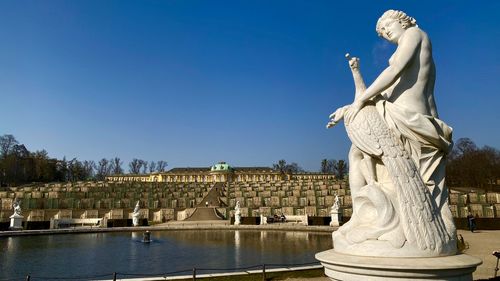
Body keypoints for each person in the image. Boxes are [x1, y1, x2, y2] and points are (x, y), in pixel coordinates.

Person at [328, 10, 455, 256]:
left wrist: (357, 103)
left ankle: (383, 219)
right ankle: (363, 214)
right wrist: (351, 97)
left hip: (409, 119)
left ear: (401, 20)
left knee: (358, 153)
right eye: (382, 33)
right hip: (400, 115)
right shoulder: (411, 42)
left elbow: (394, 70)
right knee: (356, 152)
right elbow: (380, 95)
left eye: (387, 27)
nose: (386, 33)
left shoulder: (414, 34)